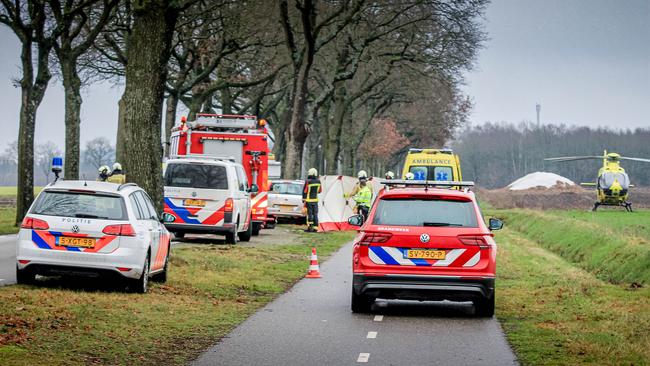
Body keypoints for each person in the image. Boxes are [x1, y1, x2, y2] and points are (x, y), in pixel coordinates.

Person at [302, 168, 322, 232]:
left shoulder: (308, 181)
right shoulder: (319, 181)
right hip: (315, 201)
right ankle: (315, 228)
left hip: (308, 201)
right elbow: (320, 191)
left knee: (309, 214)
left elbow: (305, 191)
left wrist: (303, 199)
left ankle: (310, 228)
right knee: (315, 214)